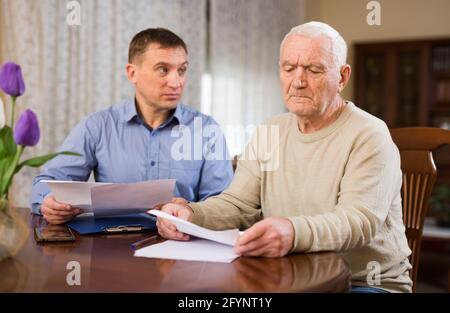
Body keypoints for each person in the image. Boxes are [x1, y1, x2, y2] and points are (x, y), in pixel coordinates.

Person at [156, 21, 413, 293]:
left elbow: (357, 221)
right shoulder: (270, 129)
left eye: (314, 69)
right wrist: (190, 214)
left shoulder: (369, 133)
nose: (298, 82)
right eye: (289, 68)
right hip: (288, 277)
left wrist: (292, 232)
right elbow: (238, 204)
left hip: (362, 283)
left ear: (342, 77)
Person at [30, 28, 233, 224]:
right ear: (132, 73)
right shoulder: (98, 126)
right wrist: (49, 201)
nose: (176, 82)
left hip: (181, 246)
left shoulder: (206, 130)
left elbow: (225, 206)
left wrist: (190, 210)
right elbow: (45, 183)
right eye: (163, 69)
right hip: (112, 248)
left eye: (182, 70)